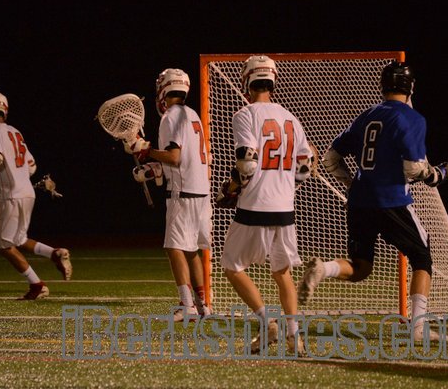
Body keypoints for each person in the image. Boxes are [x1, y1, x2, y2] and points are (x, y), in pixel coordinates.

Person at [298, 61, 448, 341]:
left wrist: (352, 185)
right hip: (392, 200)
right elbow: (414, 169)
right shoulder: (413, 118)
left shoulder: (366, 116)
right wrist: (437, 174)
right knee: (422, 258)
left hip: (360, 202)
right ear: (410, 87)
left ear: (383, 86)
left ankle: (324, 268)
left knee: (361, 267)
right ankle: (418, 328)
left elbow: (331, 158)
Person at [216, 55, 314, 355]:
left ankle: (268, 324)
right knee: (282, 272)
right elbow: (306, 166)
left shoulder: (245, 114)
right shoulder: (291, 117)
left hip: (255, 204)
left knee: (231, 265)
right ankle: (294, 337)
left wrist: (231, 188)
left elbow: (247, 162)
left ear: (247, 81)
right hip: (285, 206)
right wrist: (284, 186)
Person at [0, 92, 72, 299]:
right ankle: (54, 253)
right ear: (5, 110)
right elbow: (31, 166)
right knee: (19, 239)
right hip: (27, 192)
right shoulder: (15, 131)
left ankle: (37, 285)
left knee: (4, 245)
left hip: (10, 194)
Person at [124, 69, 211, 320]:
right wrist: (154, 168)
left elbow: (174, 157)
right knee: (191, 250)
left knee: (174, 247)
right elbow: (184, 159)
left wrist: (146, 151)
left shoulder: (170, 117)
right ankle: (203, 306)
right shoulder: (192, 114)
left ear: (163, 90)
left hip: (183, 192)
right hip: (200, 191)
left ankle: (187, 306)